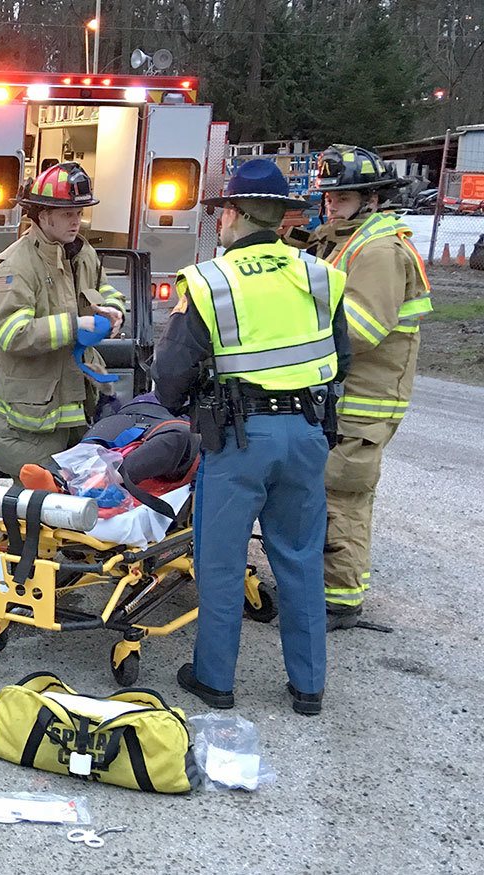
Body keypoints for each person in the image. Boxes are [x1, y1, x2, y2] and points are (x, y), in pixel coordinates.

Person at [152, 159, 351, 716]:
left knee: (219, 562)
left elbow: (171, 373)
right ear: (284, 217)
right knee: (301, 559)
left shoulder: (211, 281)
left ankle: (215, 681)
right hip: (307, 432)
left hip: (239, 440)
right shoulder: (320, 275)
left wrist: (182, 407)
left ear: (234, 214)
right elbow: (343, 360)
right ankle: (308, 688)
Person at [307, 145, 433, 630]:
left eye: (342, 198)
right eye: (329, 197)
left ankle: (339, 600)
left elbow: (359, 329)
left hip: (366, 398)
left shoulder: (379, 250)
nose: (331, 206)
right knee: (330, 489)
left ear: (372, 197)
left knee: (342, 495)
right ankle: (330, 584)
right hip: (349, 394)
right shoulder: (351, 239)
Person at [0, 162, 126, 477]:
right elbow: (11, 333)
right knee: (32, 513)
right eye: (68, 214)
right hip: (32, 425)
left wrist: (114, 310)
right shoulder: (15, 266)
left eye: (79, 213)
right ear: (43, 215)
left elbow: (105, 289)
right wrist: (75, 327)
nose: (77, 221)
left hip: (77, 411)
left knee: (74, 515)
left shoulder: (81, 252)